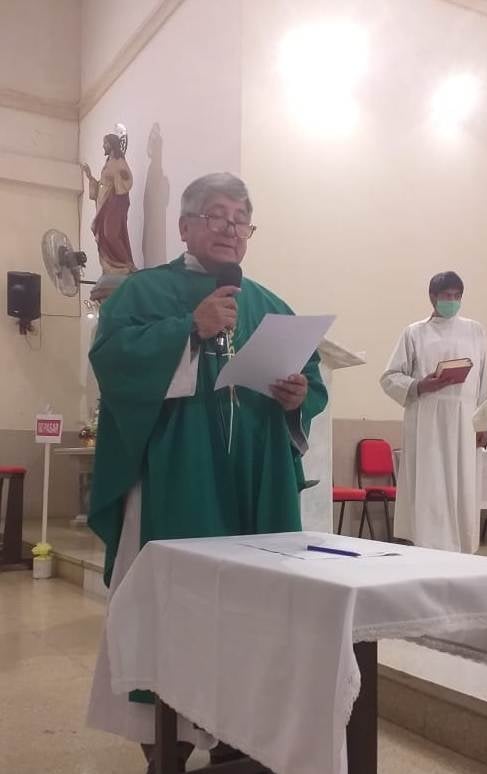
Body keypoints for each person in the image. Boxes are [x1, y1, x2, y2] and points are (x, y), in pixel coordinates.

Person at [86, 172, 328, 772]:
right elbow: (112, 363)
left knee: (249, 613)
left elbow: (311, 380)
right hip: (176, 480)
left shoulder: (270, 305)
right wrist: (188, 329)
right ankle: (162, 739)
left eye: (241, 219)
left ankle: (237, 736)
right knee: (170, 611)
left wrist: (298, 397)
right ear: (185, 225)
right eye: (217, 216)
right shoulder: (143, 292)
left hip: (253, 486)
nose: (230, 229)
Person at [380, 271, 487, 553]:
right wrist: (420, 384)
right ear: (432, 297)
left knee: (463, 485)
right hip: (427, 418)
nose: (452, 301)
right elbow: (390, 377)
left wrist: (485, 423)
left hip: (465, 420)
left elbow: (485, 381)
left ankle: (463, 548)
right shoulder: (415, 332)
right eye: (446, 296)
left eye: (457, 296)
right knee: (430, 484)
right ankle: (428, 546)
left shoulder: (475, 330)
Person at [81, 131, 136, 276]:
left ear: (111, 145)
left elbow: (126, 181)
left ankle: (127, 264)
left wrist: (121, 181)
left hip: (114, 204)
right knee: (104, 236)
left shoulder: (119, 162)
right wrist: (90, 177)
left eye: (105, 143)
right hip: (105, 204)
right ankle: (113, 266)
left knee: (110, 234)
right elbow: (102, 185)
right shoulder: (109, 163)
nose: (103, 146)